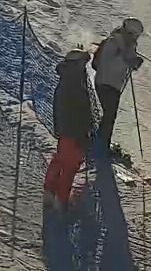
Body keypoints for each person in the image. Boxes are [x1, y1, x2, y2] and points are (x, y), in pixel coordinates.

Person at [44, 49, 94, 211]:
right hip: (73, 132)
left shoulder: (68, 80)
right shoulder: (74, 83)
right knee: (69, 166)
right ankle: (61, 200)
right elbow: (79, 111)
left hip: (66, 131)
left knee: (60, 160)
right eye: (82, 63)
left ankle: (50, 192)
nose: (84, 66)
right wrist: (82, 132)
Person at [92, 18, 144, 153]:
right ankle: (100, 146)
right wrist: (129, 62)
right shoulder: (114, 42)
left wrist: (133, 61)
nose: (136, 39)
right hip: (105, 82)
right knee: (109, 115)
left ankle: (101, 144)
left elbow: (126, 60)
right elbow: (108, 64)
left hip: (113, 84)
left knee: (110, 115)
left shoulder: (126, 44)